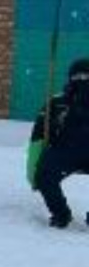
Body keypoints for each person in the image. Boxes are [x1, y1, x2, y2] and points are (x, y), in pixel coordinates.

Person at [32, 58, 89, 228]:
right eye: (78, 77)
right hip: (64, 151)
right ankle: (61, 214)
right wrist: (33, 163)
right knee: (44, 175)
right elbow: (39, 133)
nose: (82, 81)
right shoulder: (58, 102)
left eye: (86, 77)